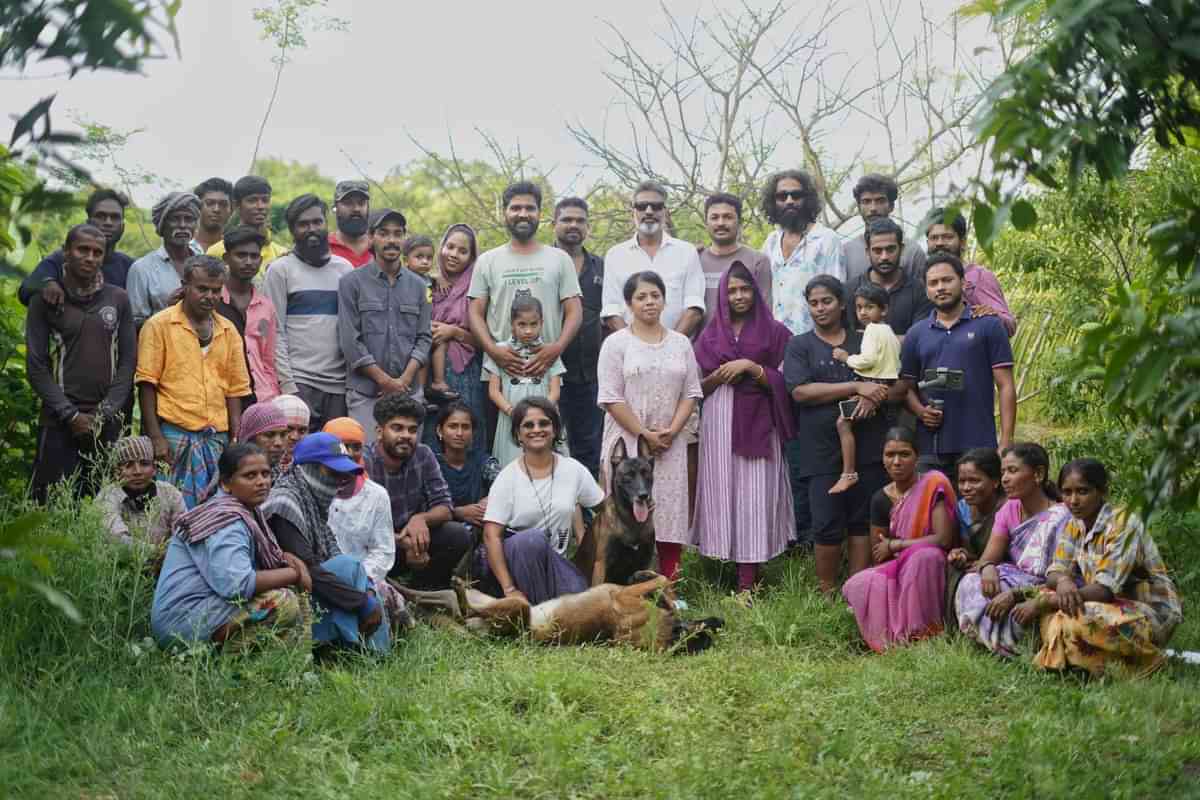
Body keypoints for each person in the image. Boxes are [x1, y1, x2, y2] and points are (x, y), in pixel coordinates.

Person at [783, 275, 892, 593]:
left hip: (868, 442)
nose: (820, 308)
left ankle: (856, 590)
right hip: (819, 447)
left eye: (826, 301)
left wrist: (873, 394)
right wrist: (856, 385)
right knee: (826, 521)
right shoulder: (800, 345)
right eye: (813, 303)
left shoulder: (865, 341)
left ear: (842, 303)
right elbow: (800, 391)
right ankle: (827, 590)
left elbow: (888, 381)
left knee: (861, 518)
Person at [691, 263, 795, 593]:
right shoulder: (708, 336)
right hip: (719, 421)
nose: (739, 296)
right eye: (732, 290)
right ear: (722, 294)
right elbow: (697, 390)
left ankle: (749, 581)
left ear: (755, 291)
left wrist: (751, 367)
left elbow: (788, 381)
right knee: (724, 492)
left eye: (745, 289)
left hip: (759, 422)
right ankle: (726, 568)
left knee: (755, 493)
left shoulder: (776, 332)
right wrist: (718, 377)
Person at [150, 443, 309, 653]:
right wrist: (294, 573)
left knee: (294, 596)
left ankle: (288, 670)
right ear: (226, 483)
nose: (261, 482)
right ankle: (226, 664)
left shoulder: (245, 511)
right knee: (283, 600)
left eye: (265, 474)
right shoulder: (226, 520)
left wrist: (288, 561)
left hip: (204, 609)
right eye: (250, 476)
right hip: (181, 623)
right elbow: (237, 586)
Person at [1031, 459, 1182, 677]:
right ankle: (1096, 664)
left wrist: (1047, 602)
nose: (1073, 500)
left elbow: (1104, 589)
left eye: (1083, 491)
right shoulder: (1076, 523)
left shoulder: (1124, 523)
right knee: (1052, 602)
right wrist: (1063, 581)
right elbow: (1055, 572)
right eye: (1067, 492)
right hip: (1109, 605)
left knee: (1073, 614)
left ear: (1102, 491)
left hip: (1147, 611)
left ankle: (1149, 659)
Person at [759, 169, 845, 549]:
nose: (789, 202)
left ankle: (819, 537)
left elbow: (832, 295)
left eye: (796, 195)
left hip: (813, 353)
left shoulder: (826, 240)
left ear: (807, 198)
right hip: (774, 356)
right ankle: (790, 533)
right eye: (782, 197)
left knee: (816, 448)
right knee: (785, 449)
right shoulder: (770, 241)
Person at [598, 271, 702, 580]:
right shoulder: (616, 344)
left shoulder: (681, 343)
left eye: (655, 295)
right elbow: (610, 396)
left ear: (664, 300)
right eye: (641, 297)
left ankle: (668, 584)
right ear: (629, 303)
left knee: (668, 512)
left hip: (671, 441)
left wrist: (670, 431)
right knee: (626, 514)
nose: (649, 302)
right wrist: (644, 434)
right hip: (627, 442)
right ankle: (622, 585)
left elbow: (692, 392)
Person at [26, 223, 136, 502]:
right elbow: (36, 366)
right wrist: (70, 415)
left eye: (97, 252)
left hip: (107, 420)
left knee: (105, 504)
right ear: (66, 253)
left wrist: (104, 413)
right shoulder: (45, 299)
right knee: (50, 504)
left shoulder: (118, 298)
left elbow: (127, 362)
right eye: (82, 250)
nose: (90, 257)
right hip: (58, 418)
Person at [136, 255, 251, 508]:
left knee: (214, 510)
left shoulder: (229, 330)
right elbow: (146, 384)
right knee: (169, 510)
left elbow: (235, 389)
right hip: (174, 435)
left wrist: (235, 439)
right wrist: (156, 437)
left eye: (215, 290)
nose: (209, 296)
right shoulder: (159, 325)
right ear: (184, 285)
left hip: (215, 437)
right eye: (201, 289)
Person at [468, 182, 582, 428]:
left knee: (546, 444)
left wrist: (557, 348)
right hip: (501, 374)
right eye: (515, 207)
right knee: (502, 446)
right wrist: (493, 350)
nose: (523, 214)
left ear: (540, 213)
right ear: (504, 213)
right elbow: (475, 312)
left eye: (530, 208)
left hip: (546, 370)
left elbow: (575, 310)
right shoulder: (488, 261)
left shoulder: (560, 259)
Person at [263, 432, 390, 653]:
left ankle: (366, 653)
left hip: (313, 590)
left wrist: (368, 593)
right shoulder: (284, 502)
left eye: (344, 474)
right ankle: (352, 652)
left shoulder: (313, 503)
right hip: (287, 595)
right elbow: (308, 570)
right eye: (332, 471)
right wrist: (362, 602)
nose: (340, 480)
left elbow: (333, 553)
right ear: (308, 467)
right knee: (347, 567)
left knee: (353, 569)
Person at [895, 252, 1017, 476]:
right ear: (926, 289)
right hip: (929, 449)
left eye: (947, 280)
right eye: (933, 283)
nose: (940, 287)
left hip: (978, 445)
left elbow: (1006, 386)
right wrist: (921, 412)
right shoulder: (916, 333)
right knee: (932, 509)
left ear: (963, 283)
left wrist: (1006, 441)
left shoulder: (988, 325)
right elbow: (906, 387)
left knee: (976, 510)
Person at [471, 398, 603, 601]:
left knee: (578, 596)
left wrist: (638, 505)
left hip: (556, 560)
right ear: (518, 434)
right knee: (532, 540)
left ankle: (546, 611)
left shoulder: (573, 470)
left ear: (555, 429)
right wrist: (509, 589)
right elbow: (491, 536)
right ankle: (536, 616)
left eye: (544, 423)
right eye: (528, 425)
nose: (536, 429)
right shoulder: (508, 477)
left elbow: (605, 507)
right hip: (515, 559)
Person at [841, 427, 958, 651]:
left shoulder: (933, 485)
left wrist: (897, 545)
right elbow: (879, 551)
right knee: (856, 584)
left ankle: (924, 632)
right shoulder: (880, 499)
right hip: (900, 564)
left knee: (923, 557)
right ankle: (893, 636)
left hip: (935, 561)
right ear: (882, 458)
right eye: (890, 455)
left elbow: (943, 539)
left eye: (904, 454)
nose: (896, 461)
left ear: (917, 456)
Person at [954, 443, 1073, 656]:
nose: (1005, 479)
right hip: (1015, 578)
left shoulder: (1062, 517)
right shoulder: (1009, 508)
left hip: (1044, 588)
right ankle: (999, 642)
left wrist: (1015, 595)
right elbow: (988, 558)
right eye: (1003, 472)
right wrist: (988, 567)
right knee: (971, 581)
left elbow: (1058, 577)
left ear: (1038, 474)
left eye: (1013, 470)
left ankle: (1016, 644)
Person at [338, 207, 432, 440]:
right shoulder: (351, 282)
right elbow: (350, 340)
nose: (391, 240)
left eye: (397, 233)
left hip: (408, 392)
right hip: (365, 394)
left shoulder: (420, 286)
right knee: (366, 460)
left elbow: (424, 337)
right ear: (370, 237)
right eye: (383, 233)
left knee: (407, 461)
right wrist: (384, 381)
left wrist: (403, 381)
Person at [263, 193, 354, 430]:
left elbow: (353, 328)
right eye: (303, 224)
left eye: (317, 222)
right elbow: (275, 332)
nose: (311, 229)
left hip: (339, 386)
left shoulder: (344, 270)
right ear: (293, 230)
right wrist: (289, 385)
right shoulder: (280, 270)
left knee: (334, 458)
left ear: (326, 224)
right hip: (300, 382)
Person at [364, 393, 473, 590]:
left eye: (412, 430)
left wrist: (421, 519)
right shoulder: (364, 462)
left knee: (457, 535)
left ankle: (426, 592)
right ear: (380, 431)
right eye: (397, 428)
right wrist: (405, 543)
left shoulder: (423, 454)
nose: (406, 435)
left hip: (415, 541)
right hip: (376, 547)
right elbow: (360, 528)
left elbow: (445, 507)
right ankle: (382, 590)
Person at [323, 417, 409, 631]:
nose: (349, 453)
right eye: (342, 446)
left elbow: (383, 550)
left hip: (364, 578)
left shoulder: (376, 495)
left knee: (383, 600)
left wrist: (360, 580)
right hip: (321, 578)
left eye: (356, 447)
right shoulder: (314, 488)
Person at [602, 180, 706, 336]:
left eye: (656, 206)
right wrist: (637, 347)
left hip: (677, 353)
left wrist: (669, 346)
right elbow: (611, 311)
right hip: (630, 354)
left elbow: (694, 307)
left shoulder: (687, 252)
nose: (649, 211)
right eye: (642, 206)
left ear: (665, 212)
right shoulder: (615, 255)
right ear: (633, 212)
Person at [828, 283, 902, 494]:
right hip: (887, 384)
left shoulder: (871, 331)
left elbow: (867, 359)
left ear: (883, 309)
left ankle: (848, 473)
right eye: (859, 307)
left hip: (874, 385)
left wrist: (846, 357)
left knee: (843, 422)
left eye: (869, 307)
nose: (863, 312)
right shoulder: (889, 332)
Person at [552, 197, 605, 476]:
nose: (573, 225)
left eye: (580, 220)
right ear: (554, 225)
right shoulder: (543, 263)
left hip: (592, 376)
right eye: (567, 219)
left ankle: (589, 515)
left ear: (587, 226)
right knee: (552, 444)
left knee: (589, 448)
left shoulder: (601, 267)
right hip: (550, 371)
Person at [18, 188, 134, 306]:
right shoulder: (64, 258)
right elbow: (25, 289)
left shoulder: (130, 267)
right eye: (100, 216)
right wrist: (47, 283)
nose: (108, 222)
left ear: (122, 227)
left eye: (115, 217)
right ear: (88, 222)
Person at [486, 295, 564, 466]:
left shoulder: (550, 351)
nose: (528, 330)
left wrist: (542, 412)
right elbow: (493, 391)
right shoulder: (500, 351)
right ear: (512, 324)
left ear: (541, 323)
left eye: (533, 324)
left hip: (544, 418)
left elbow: (555, 390)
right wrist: (512, 412)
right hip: (510, 418)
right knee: (512, 465)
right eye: (522, 324)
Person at [923, 207, 1016, 336]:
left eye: (947, 237)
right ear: (927, 242)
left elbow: (1009, 325)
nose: (939, 243)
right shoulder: (921, 278)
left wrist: (991, 316)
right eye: (934, 238)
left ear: (962, 242)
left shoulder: (978, 277)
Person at [216, 226, 282, 405]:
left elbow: (268, 359)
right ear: (226, 258)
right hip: (223, 396)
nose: (248, 262)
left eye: (254, 256)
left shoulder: (266, 306)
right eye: (241, 255)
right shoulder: (214, 301)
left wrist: (273, 394)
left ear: (260, 260)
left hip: (263, 396)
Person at [943, 448, 1005, 629]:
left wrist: (986, 564)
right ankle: (954, 627)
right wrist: (960, 554)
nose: (966, 488)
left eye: (974, 480)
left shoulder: (1008, 508)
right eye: (962, 481)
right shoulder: (962, 508)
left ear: (995, 481)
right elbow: (969, 549)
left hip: (1001, 566)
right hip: (978, 564)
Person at [426, 224, 480, 424]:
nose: (454, 254)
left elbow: (487, 341)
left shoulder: (478, 288)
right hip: (426, 374)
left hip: (464, 376)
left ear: (472, 258)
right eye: (450, 247)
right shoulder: (426, 283)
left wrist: (454, 332)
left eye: (463, 251)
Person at [843, 217, 932, 338]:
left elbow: (919, 340)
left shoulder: (919, 291)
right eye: (877, 251)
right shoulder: (850, 290)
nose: (884, 257)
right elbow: (846, 339)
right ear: (867, 252)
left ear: (901, 249)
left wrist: (872, 337)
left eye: (890, 249)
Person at [126, 191, 204, 327]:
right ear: (162, 224)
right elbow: (134, 324)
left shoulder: (204, 263)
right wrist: (168, 311)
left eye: (189, 219)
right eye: (175, 219)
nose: (183, 225)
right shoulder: (142, 269)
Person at [97, 435, 188, 550]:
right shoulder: (107, 496)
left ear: (154, 469)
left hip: (167, 564)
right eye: (128, 465)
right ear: (117, 472)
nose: (137, 472)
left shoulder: (170, 493)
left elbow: (184, 534)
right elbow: (116, 539)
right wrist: (157, 553)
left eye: (144, 464)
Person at [698, 192, 772, 333]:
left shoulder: (757, 261)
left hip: (745, 349)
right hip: (701, 350)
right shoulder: (695, 260)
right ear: (706, 222)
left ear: (739, 221)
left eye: (728, 217)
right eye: (714, 217)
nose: (721, 223)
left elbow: (765, 312)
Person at [841, 173, 926, 285]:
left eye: (880, 201)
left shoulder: (912, 251)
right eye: (866, 201)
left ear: (891, 206)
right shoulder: (846, 252)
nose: (873, 208)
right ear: (859, 207)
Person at [432, 401, 499, 529]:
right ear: (440, 431)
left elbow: (506, 486)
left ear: (473, 432)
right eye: (453, 426)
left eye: (466, 427)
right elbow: (423, 509)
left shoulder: (484, 462)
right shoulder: (431, 466)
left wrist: (490, 500)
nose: (459, 433)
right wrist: (458, 512)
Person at [204, 175, 289, 263]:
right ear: (237, 205)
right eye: (252, 200)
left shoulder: (281, 254)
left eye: (265, 200)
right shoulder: (218, 252)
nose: (260, 206)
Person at [237, 401, 290, 480]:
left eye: (283, 435)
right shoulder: (234, 476)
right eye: (269, 435)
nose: (278, 443)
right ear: (250, 439)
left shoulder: (289, 474)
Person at [327, 179, 373, 267]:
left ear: (368, 207)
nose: (356, 209)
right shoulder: (324, 247)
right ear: (335, 208)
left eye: (361, 203)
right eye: (348, 203)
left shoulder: (379, 246)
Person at [192, 177, 234, 253]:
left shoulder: (235, 250)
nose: (216, 209)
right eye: (209, 203)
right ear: (197, 207)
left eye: (223, 204)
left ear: (231, 210)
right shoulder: (182, 246)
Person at [272, 394, 310, 472]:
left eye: (302, 431)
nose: (294, 437)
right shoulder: (257, 465)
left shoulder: (310, 467)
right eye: (288, 430)